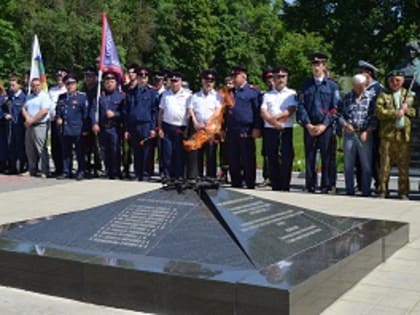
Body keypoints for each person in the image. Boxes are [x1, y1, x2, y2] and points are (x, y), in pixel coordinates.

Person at [296, 52, 340, 193]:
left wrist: (324, 124)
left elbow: (335, 108)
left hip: (325, 126)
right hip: (310, 126)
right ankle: (310, 184)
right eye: (314, 64)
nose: (316, 67)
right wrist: (307, 124)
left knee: (327, 156)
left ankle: (327, 185)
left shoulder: (332, 86)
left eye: (319, 64)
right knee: (310, 156)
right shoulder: (305, 85)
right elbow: (301, 106)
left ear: (324, 66)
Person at [376, 70, 416, 199]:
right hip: (388, 135)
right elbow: (379, 111)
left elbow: (415, 112)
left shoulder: (408, 95)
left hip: (403, 135)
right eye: (392, 80)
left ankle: (403, 192)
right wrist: (395, 113)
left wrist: (406, 110)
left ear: (403, 81)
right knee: (385, 165)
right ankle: (383, 190)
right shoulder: (383, 95)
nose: (394, 83)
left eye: (398, 80)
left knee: (403, 165)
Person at [338, 74, 376, 196]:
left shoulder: (371, 97)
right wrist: (345, 125)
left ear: (365, 85)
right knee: (348, 164)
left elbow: (375, 118)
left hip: (364, 133)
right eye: (357, 86)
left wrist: (368, 131)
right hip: (350, 133)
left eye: (362, 86)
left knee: (366, 164)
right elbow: (339, 115)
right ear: (353, 85)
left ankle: (366, 190)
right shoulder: (347, 97)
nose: (360, 89)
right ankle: (349, 190)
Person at [260, 66, 297, 191]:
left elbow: (291, 109)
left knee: (287, 157)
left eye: (283, 76)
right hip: (270, 129)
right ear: (273, 79)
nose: (280, 79)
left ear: (286, 78)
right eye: (277, 77)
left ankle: (285, 184)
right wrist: (273, 122)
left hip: (286, 129)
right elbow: (263, 111)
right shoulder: (267, 95)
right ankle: (275, 185)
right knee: (272, 157)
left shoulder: (292, 93)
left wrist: (276, 118)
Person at [225, 66, 262, 189]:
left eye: (236, 76)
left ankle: (250, 182)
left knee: (247, 157)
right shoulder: (230, 92)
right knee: (233, 158)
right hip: (232, 129)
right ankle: (236, 182)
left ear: (243, 77)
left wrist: (257, 127)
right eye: (232, 77)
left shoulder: (252, 92)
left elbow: (257, 111)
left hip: (246, 129)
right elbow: (225, 111)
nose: (233, 79)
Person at [124, 66, 159, 181]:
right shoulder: (130, 92)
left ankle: (145, 173)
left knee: (147, 151)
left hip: (146, 125)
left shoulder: (152, 92)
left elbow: (154, 111)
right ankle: (138, 172)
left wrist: (153, 128)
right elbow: (127, 112)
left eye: (145, 77)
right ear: (137, 78)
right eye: (140, 77)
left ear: (147, 78)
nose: (142, 79)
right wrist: (127, 129)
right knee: (136, 150)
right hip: (134, 125)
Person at [187, 69, 222, 178]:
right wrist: (195, 122)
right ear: (202, 81)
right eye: (207, 80)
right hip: (197, 128)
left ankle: (210, 178)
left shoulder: (217, 96)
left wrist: (210, 121)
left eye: (211, 80)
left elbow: (218, 110)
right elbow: (190, 109)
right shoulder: (195, 96)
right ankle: (197, 177)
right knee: (197, 154)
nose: (209, 82)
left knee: (211, 155)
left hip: (210, 130)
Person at [158, 71, 191, 180]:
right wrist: (160, 128)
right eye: (172, 81)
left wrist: (187, 129)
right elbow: (161, 112)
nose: (174, 83)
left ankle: (179, 176)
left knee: (179, 154)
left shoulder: (187, 95)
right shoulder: (165, 94)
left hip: (180, 127)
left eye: (176, 81)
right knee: (167, 153)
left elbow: (189, 113)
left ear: (181, 82)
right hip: (167, 126)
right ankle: (167, 175)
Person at [55, 74, 89, 180]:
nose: (70, 86)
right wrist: (59, 117)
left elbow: (86, 114)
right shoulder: (62, 97)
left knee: (80, 152)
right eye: (68, 84)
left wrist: (85, 129)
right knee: (66, 152)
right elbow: (58, 110)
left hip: (78, 129)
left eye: (72, 83)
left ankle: (81, 171)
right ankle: (66, 171)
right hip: (65, 129)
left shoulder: (82, 97)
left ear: (76, 84)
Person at [357, 60, 384, 193]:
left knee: (374, 157)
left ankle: (379, 183)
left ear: (369, 73)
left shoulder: (378, 88)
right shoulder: (359, 86)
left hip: (374, 128)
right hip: (360, 127)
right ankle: (361, 183)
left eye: (362, 72)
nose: (360, 74)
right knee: (359, 156)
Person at [91, 71, 124, 179]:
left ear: (116, 83)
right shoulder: (99, 97)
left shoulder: (121, 97)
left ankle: (116, 172)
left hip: (115, 128)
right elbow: (93, 111)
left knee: (115, 150)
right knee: (104, 151)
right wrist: (94, 123)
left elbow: (125, 113)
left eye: (112, 81)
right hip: (102, 128)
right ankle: (108, 170)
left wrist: (115, 114)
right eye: (107, 81)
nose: (109, 84)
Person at [22, 78, 52, 177]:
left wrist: (32, 120)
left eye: (37, 85)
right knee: (29, 149)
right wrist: (27, 118)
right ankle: (32, 170)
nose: (35, 87)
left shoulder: (45, 97)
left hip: (40, 125)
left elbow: (44, 111)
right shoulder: (29, 97)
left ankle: (45, 170)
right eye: (33, 85)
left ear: (41, 85)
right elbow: (23, 108)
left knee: (41, 148)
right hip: (30, 125)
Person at [81, 66, 102, 178]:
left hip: (97, 121)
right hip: (85, 121)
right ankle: (87, 166)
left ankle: (98, 167)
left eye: (91, 76)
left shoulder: (99, 90)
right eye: (86, 76)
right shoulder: (82, 90)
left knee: (96, 146)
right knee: (86, 147)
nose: (88, 78)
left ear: (95, 77)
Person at [49, 68, 68, 176]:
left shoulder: (67, 89)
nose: (59, 78)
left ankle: (65, 169)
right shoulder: (52, 90)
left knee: (63, 146)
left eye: (62, 76)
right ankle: (58, 168)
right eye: (58, 76)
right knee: (55, 145)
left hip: (64, 121)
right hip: (53, 120)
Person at [6, 75, 27, 174]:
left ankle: (22, 167)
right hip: (10, 126)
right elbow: (3, 108)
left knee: (20, 146)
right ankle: (12, 167)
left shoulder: (24, 97)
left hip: (20, 126)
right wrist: (5, 114)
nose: (11, 87)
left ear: (19, 85)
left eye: (13, 85)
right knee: (11, 146)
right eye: (10, 85)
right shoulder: (9, 96)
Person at [260, 67, 275, 187]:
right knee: (266, 153)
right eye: (268, 79)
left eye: (271, 78)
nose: (270, 81)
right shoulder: (264, 94)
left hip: (281, 126)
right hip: (266, 127)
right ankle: (267, 176)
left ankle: (277, 176)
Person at [0, 82, 9, 173]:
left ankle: (3, 164)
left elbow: (5, 110)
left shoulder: (3, 98)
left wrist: (3, 114)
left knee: (2, 145)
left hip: (1, 124)